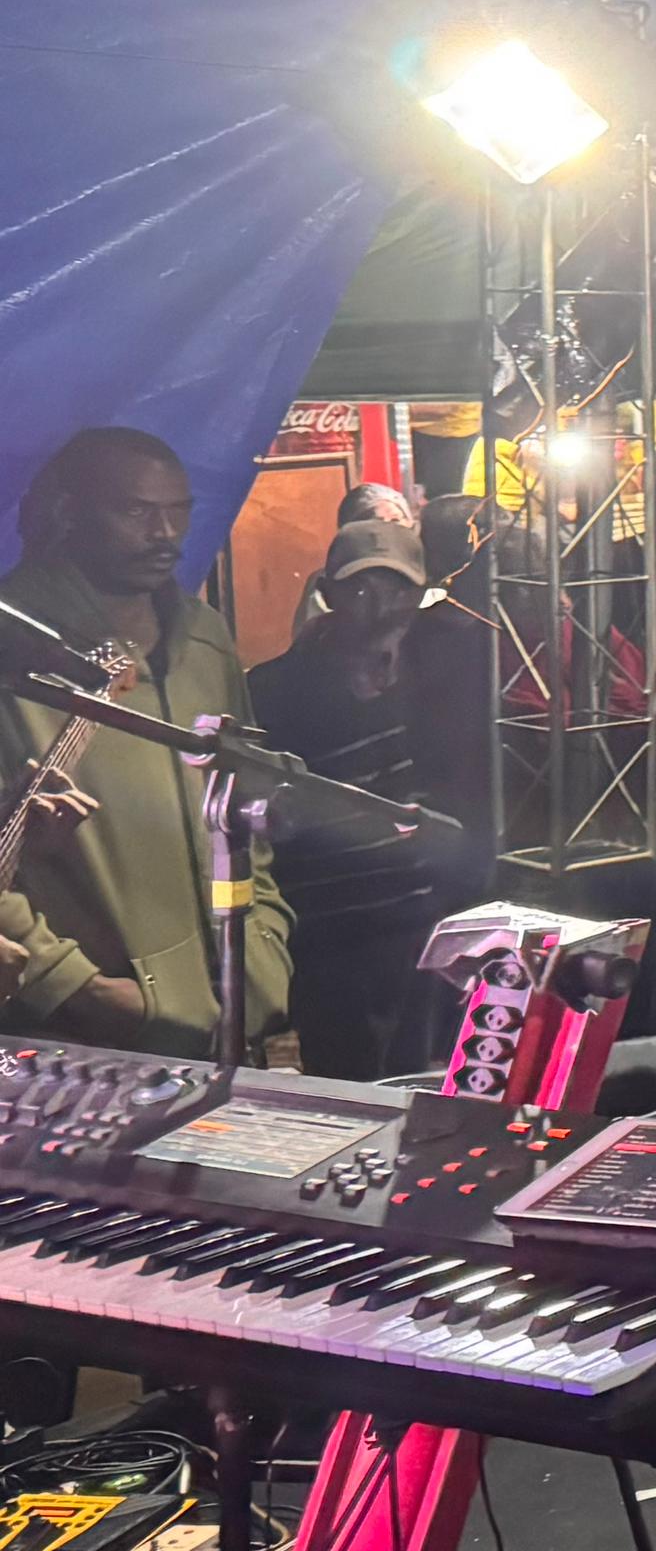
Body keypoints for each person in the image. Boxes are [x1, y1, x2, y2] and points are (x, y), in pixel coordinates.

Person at [0, 427, 292, 1060]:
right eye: (135, 511)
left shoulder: (205, 639)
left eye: (176, 512)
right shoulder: (14, 652)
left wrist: (262, 947)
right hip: (82, 1042)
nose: (164, 534)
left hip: (233, 1019)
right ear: (68, 514)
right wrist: (81, 990)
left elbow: (242, 807)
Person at [246, 507, 478, 1078]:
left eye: (396, 589)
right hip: (330, 934)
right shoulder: (277, 688)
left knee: (421, 1079)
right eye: (361, 589)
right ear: (329, 593)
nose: (379, 606)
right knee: (347, 1090)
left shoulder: (438, 677)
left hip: (417, 925)